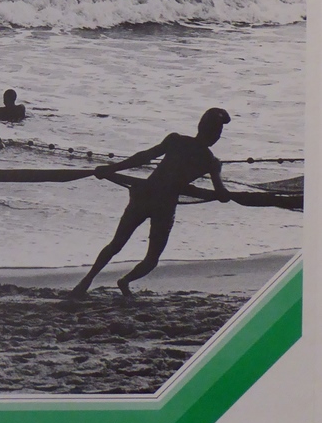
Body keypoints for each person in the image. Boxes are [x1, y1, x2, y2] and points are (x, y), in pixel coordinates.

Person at [71, 108, 232, 298]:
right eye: (218, 132)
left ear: (200, 126)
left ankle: (87, 280)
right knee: (151, 258)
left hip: (144, 195)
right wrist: (216, 174)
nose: (217, 136)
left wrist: (111, 168)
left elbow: (143, 157)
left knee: (116, 244)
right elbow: (222, 195)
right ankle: (124, 281)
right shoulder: (210, 161)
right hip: (164, 205)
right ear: (215, 135)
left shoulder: (176, 141)